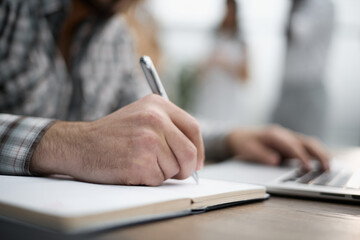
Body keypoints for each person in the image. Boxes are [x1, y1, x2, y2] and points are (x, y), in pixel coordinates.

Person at [0, 0, 329, 186]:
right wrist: (75, 144)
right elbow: (87, 139)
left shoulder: (115, 37)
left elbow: (152, 116)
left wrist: (233, 138)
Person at [272, 0, 334, 140]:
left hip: (307, 89)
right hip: (288, 87)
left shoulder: (320, 5)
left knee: (308, 148)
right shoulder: (300, 6)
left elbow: (297, 31)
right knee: (276, 143)